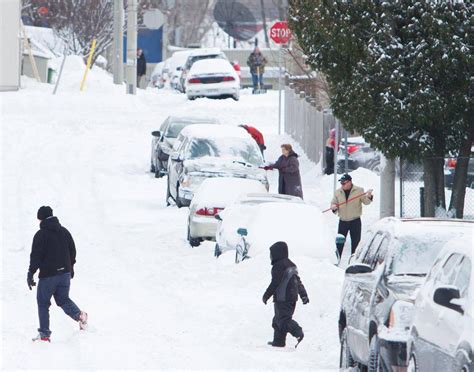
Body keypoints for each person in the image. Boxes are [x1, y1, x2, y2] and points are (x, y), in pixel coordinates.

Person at [28, 206, 88, 342]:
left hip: (48, 275)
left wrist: (30, 273)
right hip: (65, 274)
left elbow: (35, 256)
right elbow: (73, 251)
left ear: (40, 218)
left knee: (43, 303)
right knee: (63, 299)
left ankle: (44, 335)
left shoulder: (41, 234)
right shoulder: (64, 231)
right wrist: (70, 267)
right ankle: (79, 315)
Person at [262, 241, 309, 348]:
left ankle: (298, 333)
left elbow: (275, 283)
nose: (270, 257)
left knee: (283, 320)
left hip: (282, 298)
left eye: (272, 254)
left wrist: (266, 295)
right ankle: (278, 342)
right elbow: (298, 282)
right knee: (278, 319)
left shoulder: (278, 266)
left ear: (278, 253)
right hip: (292, 298)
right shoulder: (291, 264)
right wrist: (303, 295)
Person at [330, 174, 373, 263]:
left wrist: (369, 196)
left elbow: (366, 202)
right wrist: (333, 207)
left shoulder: (359, 190)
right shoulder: (338, 192)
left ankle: (354, 262)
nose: (342, 185)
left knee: (356, 243)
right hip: (343, 221)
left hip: (355, 221)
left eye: (344, 183)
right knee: (339, 243)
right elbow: (334, 203)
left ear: (350, 182)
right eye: (341, 183)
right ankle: (336, 261)